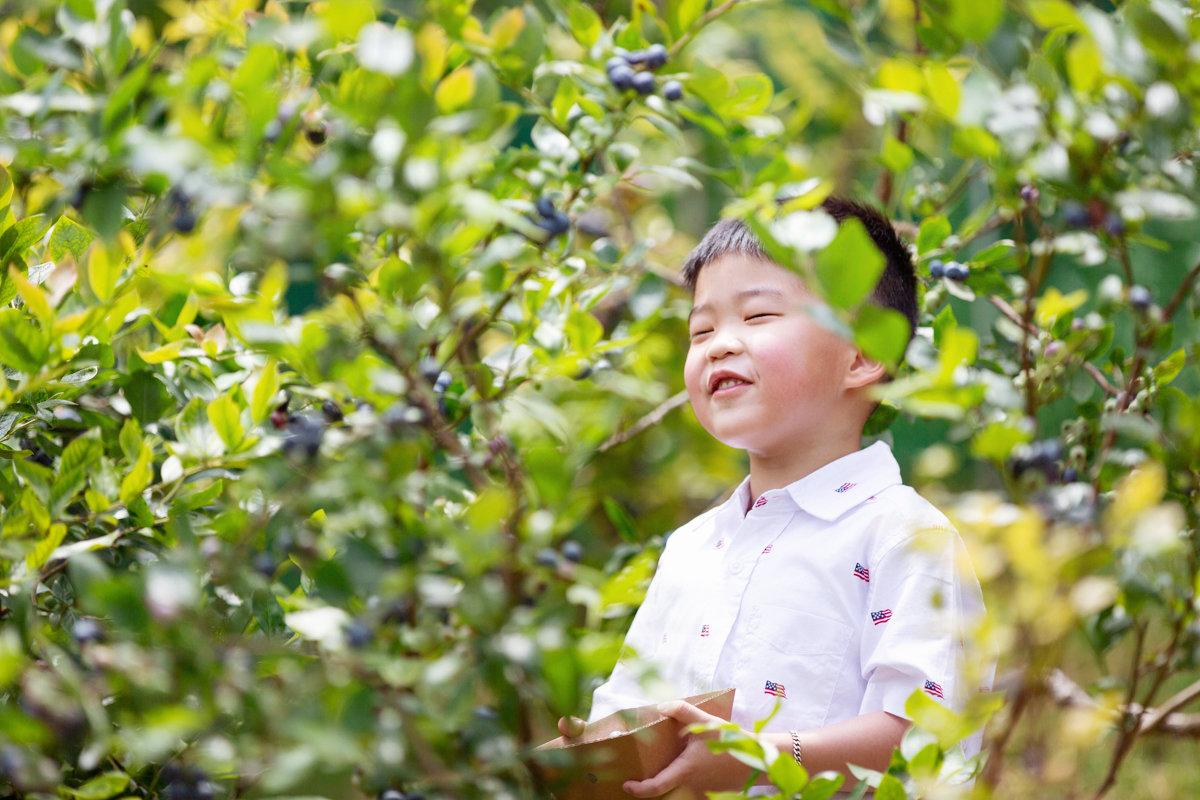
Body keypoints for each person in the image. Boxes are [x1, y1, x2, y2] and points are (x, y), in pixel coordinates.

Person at [557, 196, 993, 796]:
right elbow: (635, 709)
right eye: (701, 329)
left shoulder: (904, 536)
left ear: (863, 355)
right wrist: (594, 750)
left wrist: (762, 756)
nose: (718, 345)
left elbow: (929, 737)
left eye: (757, 317)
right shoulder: (691, 548)